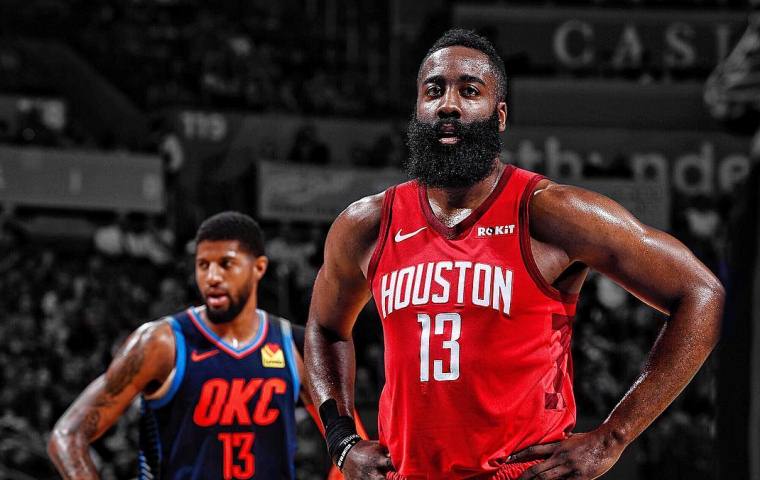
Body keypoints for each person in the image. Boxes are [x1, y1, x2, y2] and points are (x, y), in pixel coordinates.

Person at [304, 29, 725, 480]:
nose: (448, 105)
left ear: (499, 115)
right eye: (434, 91)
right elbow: (325, 328)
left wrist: (612, 437)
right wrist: (342, 441)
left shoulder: (550, 212)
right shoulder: (368, 224)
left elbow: (702, 294)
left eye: (470, 91)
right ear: (418, 109)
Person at [48, 211, 358, 479]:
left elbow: (350, 448)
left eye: (226, 264)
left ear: (259, 267)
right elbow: (67, 435)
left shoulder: (295, 345)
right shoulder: (160, 342)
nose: (212, 277)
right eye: (203, 265)